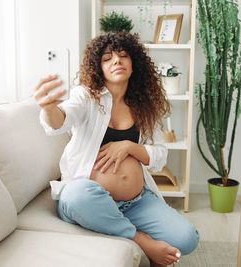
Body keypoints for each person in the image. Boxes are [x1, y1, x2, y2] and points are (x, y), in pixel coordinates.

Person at [34, 31, 199, 267]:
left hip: (136, 202)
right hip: (88, 199)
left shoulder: (146, 106)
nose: (116, 61)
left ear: (134, 65)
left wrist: (129, 146)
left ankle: (115, 223)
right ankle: (140, 239)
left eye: (123, 56)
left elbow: (160, 156)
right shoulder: (86, 97)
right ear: (98, 68)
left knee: (187, 239)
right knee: (77, 196)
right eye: (107, 58)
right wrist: (49, 108)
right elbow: (62, 120)